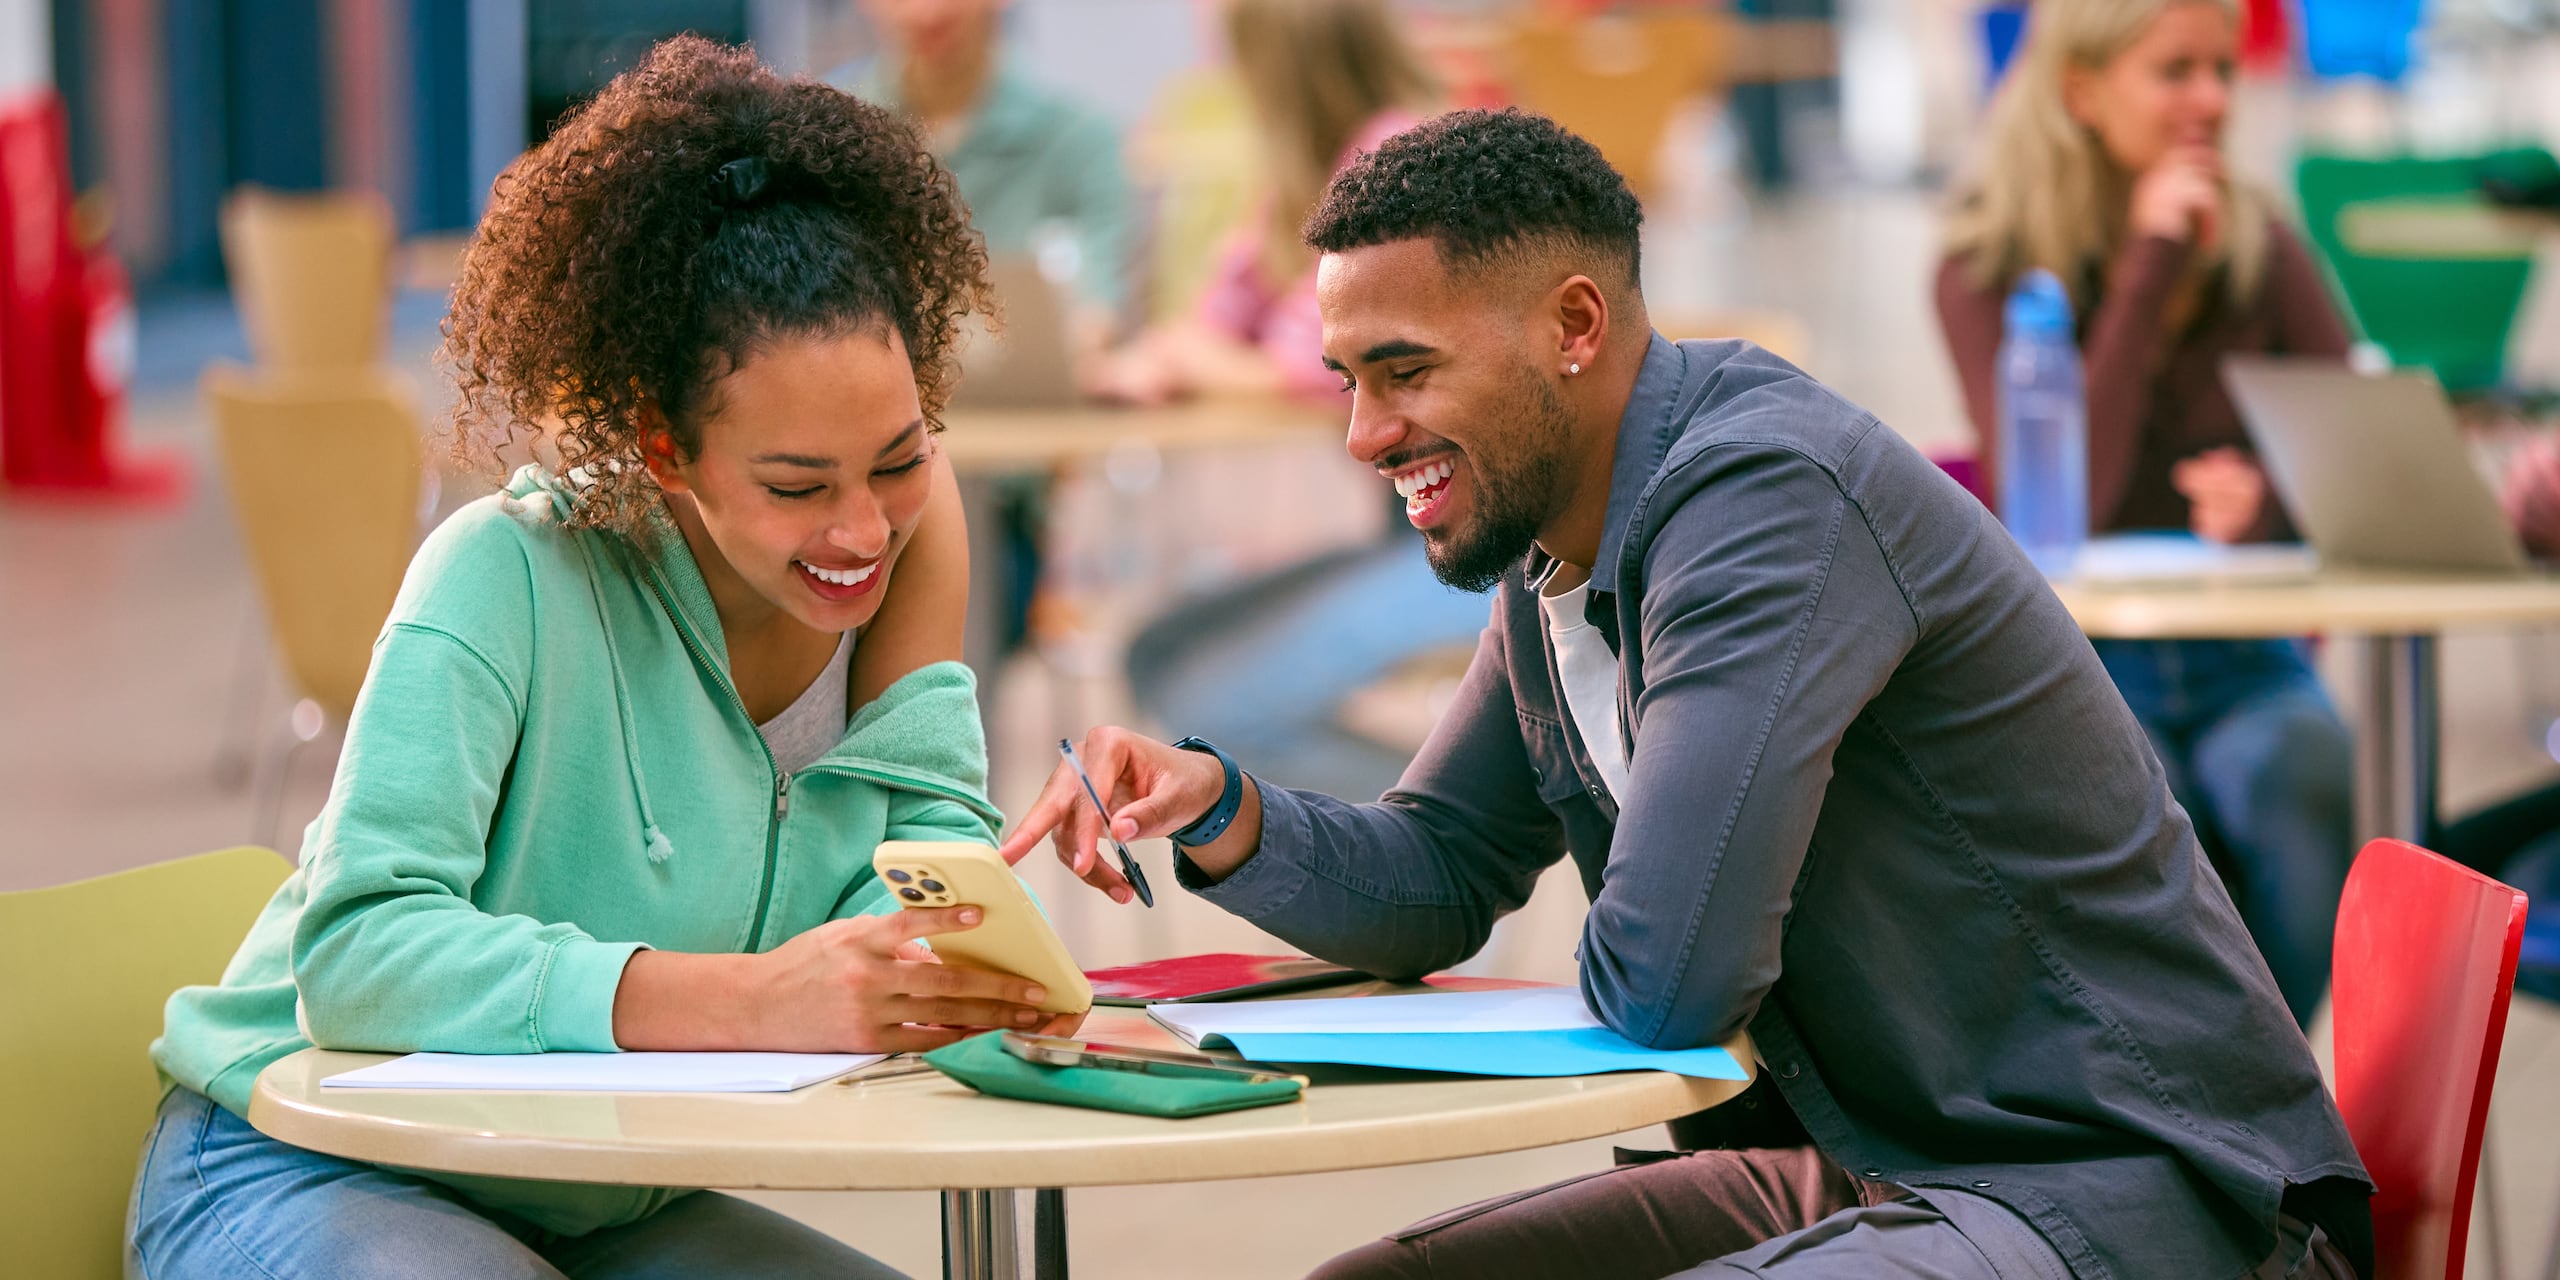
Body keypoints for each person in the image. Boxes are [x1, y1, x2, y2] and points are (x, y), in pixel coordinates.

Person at [1001, 108, 2371, 1279]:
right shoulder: (1558, 538)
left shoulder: (1763, 498)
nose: (1365, 434)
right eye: (1348, 381)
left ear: (1574, 326)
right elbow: (1443, 868)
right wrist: (1220, 805)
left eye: (1407, 371)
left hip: (2146, 1193)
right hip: (1895, 1161)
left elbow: (1670, 983)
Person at [130, 38, 1064, 1280]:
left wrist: (952, 960)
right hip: (307, 1154)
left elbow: (922, 847)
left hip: (589, 1189)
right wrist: (751, 999)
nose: (860, 530)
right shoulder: (504, 572)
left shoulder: (913, 535)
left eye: (897, 458)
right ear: (661, 443)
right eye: (796, 485)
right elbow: (354, 954)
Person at [1933, 0, 2356, 1025]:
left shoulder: (2262, 247)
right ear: (2081, 91)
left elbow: (2357, 460)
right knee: (2141, 811)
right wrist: (2150, 259)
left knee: (2303, 767)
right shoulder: (1984, 265)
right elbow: (2058, 500)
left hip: (2246, 653)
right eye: (2174, 72)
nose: (2210, 99)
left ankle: (2265, 1090)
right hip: (2077, 665)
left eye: (2223, 69)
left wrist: (2267, 505)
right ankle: (2198, 1098)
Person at [1099, 0, 1438, 402]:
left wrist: (1193, 360)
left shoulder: (1393, 160)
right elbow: (1227, 303)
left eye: (1244, 59)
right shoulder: (1304, 170)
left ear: (1288, 70)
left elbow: (1322, 371)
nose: (1236, 81)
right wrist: (1171, 353)